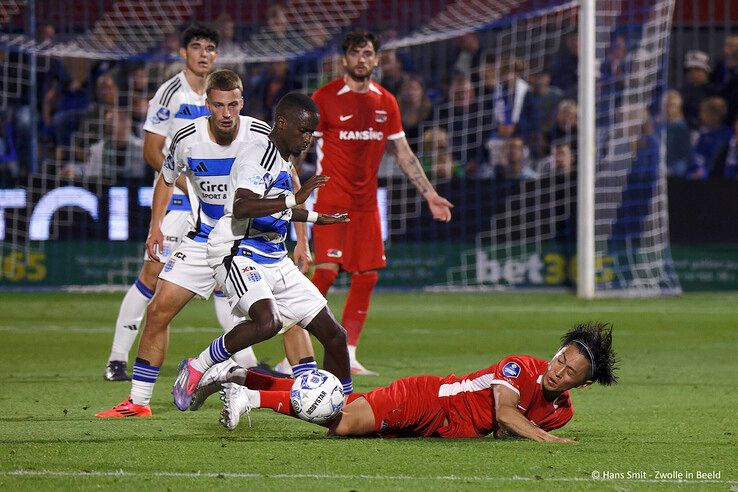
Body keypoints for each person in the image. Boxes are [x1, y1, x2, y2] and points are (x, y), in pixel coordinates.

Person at [97, 70, 279, 417]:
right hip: (203, 237)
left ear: (242, 102)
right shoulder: (186, 138)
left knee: (289, 318)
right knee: (158, 310)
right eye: (219, 105)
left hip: (248, 238)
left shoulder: (261, 135)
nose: (226, 113)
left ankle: (310, 386)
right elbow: (165, 179)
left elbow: (288, 177)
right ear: (207, 104)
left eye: (233, 104)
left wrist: (298, 238)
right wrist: (155, 228)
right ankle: (138, 402)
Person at [171, 92, 353, 411]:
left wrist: (315, 217)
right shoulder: (260, 155)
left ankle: (347, 408)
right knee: (267, 322)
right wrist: (295, 199)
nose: (309, 138)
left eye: (312, 132)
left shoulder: (281, 157)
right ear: (281, 124)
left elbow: (276, 207)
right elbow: (242, 206)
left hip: (273, 257)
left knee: (335, 335)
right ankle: (197, 367)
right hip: (236, 251)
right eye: (304, 131)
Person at [303, 30, 453, 376]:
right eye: (355, 53)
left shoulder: (386, 102)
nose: (361, 59)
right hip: (331, 200)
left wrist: (429, 193)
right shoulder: (324, 97)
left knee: (367, 276)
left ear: (375, 59)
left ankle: (349, 354)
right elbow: (302, 149)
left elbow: (403, 152)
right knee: (324, 273)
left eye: (367, 53)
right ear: (345, 59)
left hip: (366, 205)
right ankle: (297, 352)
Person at [218, 322, 617, 441]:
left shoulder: (562, 412)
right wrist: (548, 442)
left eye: (569, 372)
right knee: (339, 422)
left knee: (339, 407)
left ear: (581, 385)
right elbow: (506, 413)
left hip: (436, 427)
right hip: (428, 400)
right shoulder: (520, 368)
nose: (557, 370)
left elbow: (506, 431)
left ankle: (242, 374)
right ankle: (248, 398)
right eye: (560, 358)